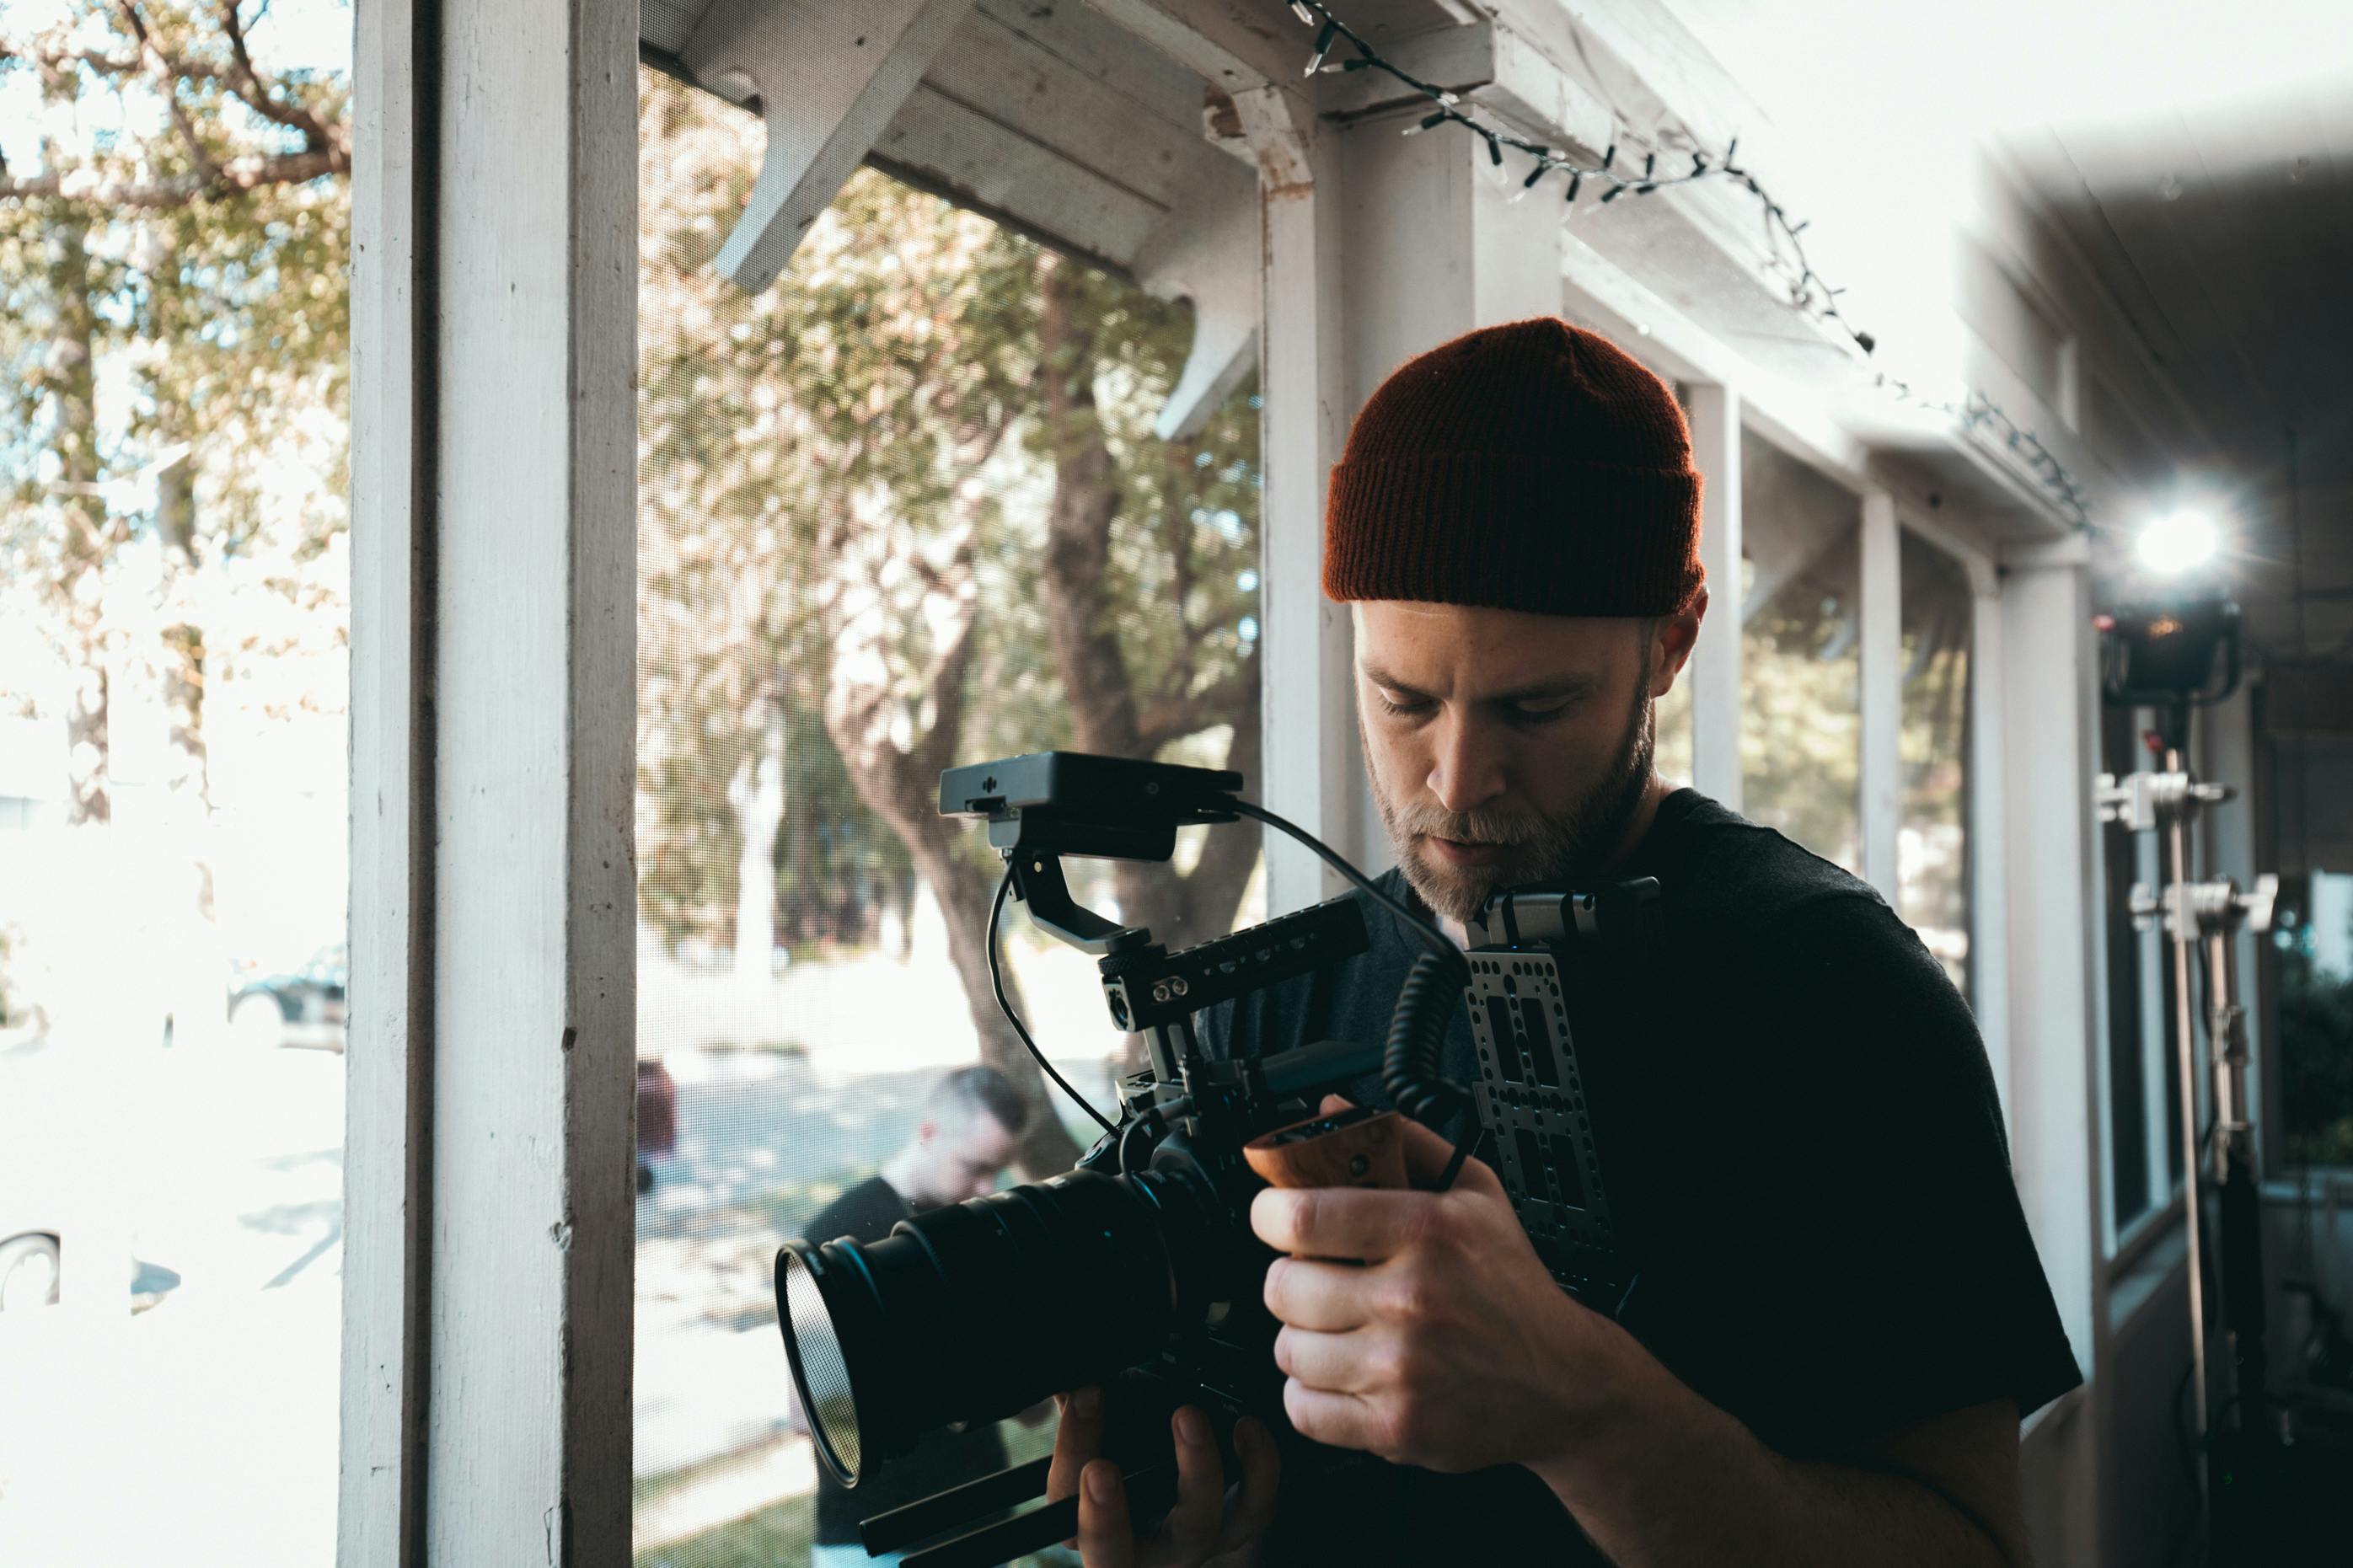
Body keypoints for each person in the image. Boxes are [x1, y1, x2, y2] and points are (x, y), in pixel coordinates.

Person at [1041, 318, 2082, 1565]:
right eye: (1403, 699)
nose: (1459, 778)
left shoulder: (1833, 991)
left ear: (1672, 642)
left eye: (1536, 706)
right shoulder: (1278, 991)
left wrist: (1588, 1413)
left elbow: (1977, 1546)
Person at [798, 1064, 1045, 1568]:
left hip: (982, 1524)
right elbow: (805, 1416)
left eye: (997, 1171)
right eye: (973, 1166)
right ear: (928, 1133)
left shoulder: (983, 1232)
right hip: (874, 1541)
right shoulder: (837, 1236)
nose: (985, 1189)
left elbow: (1036, 1409)